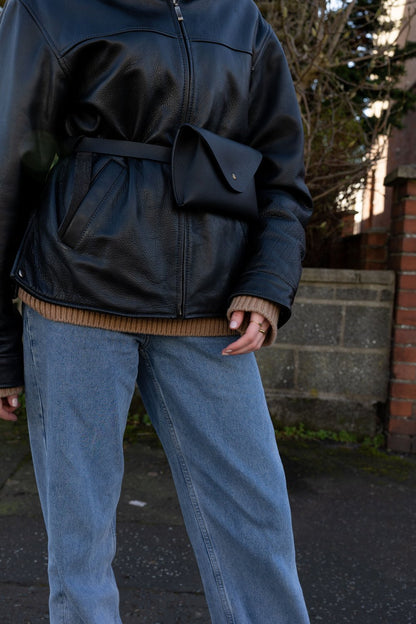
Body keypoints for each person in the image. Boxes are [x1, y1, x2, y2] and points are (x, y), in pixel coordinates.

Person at [0, 0, 313, 622]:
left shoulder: (241, 19)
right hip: (73, 299)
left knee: (258, 525)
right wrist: (3, 348)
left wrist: (268, 283)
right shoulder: (48, 7)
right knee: (80, 545)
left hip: (212, 310)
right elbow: (8, 168)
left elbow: (284, 177)